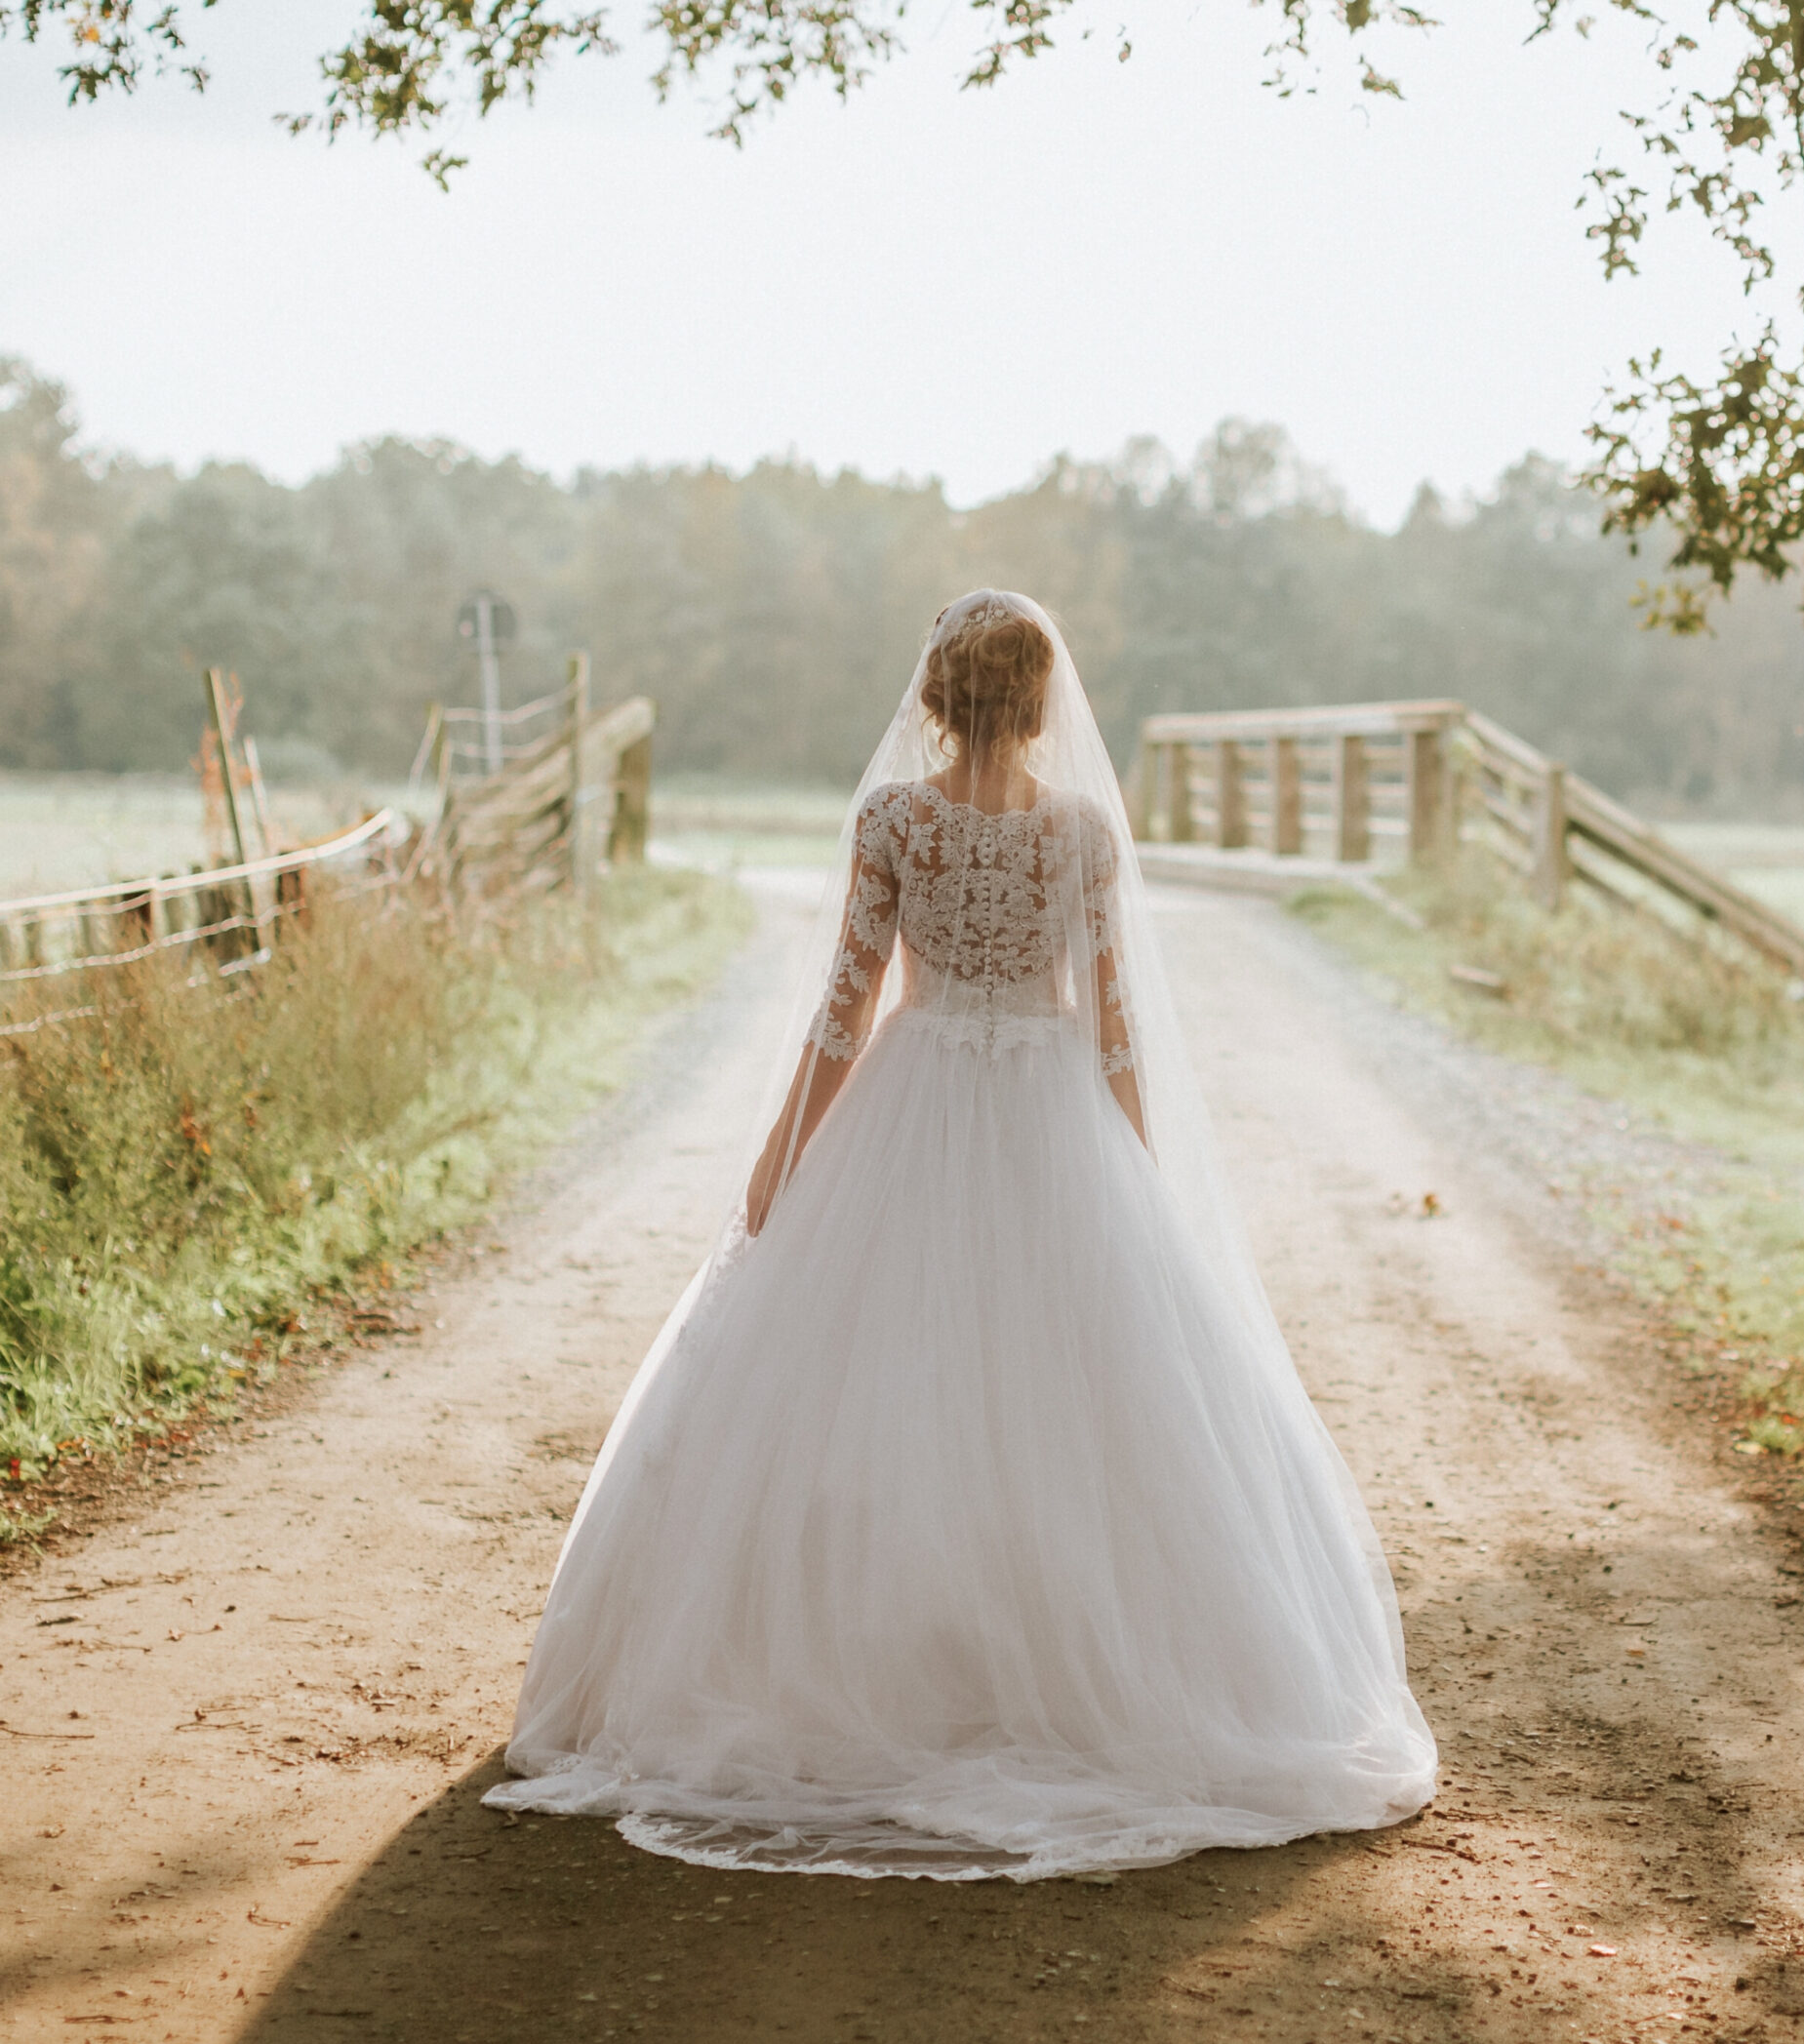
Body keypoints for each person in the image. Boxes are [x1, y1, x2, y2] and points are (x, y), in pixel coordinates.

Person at [485, 589, 1435, 1879]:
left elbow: (840, 1008)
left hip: (909, 1096)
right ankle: (1055, 1672)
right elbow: (1111, 1029)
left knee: (881, 1389)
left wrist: (780, 1160)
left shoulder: (894, 821)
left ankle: (876, 1671)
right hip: (1052, 1110)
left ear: (933, 695)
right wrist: (1135, 1174)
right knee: (1070, 1399)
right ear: (1042, 704)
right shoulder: (1084, 834)